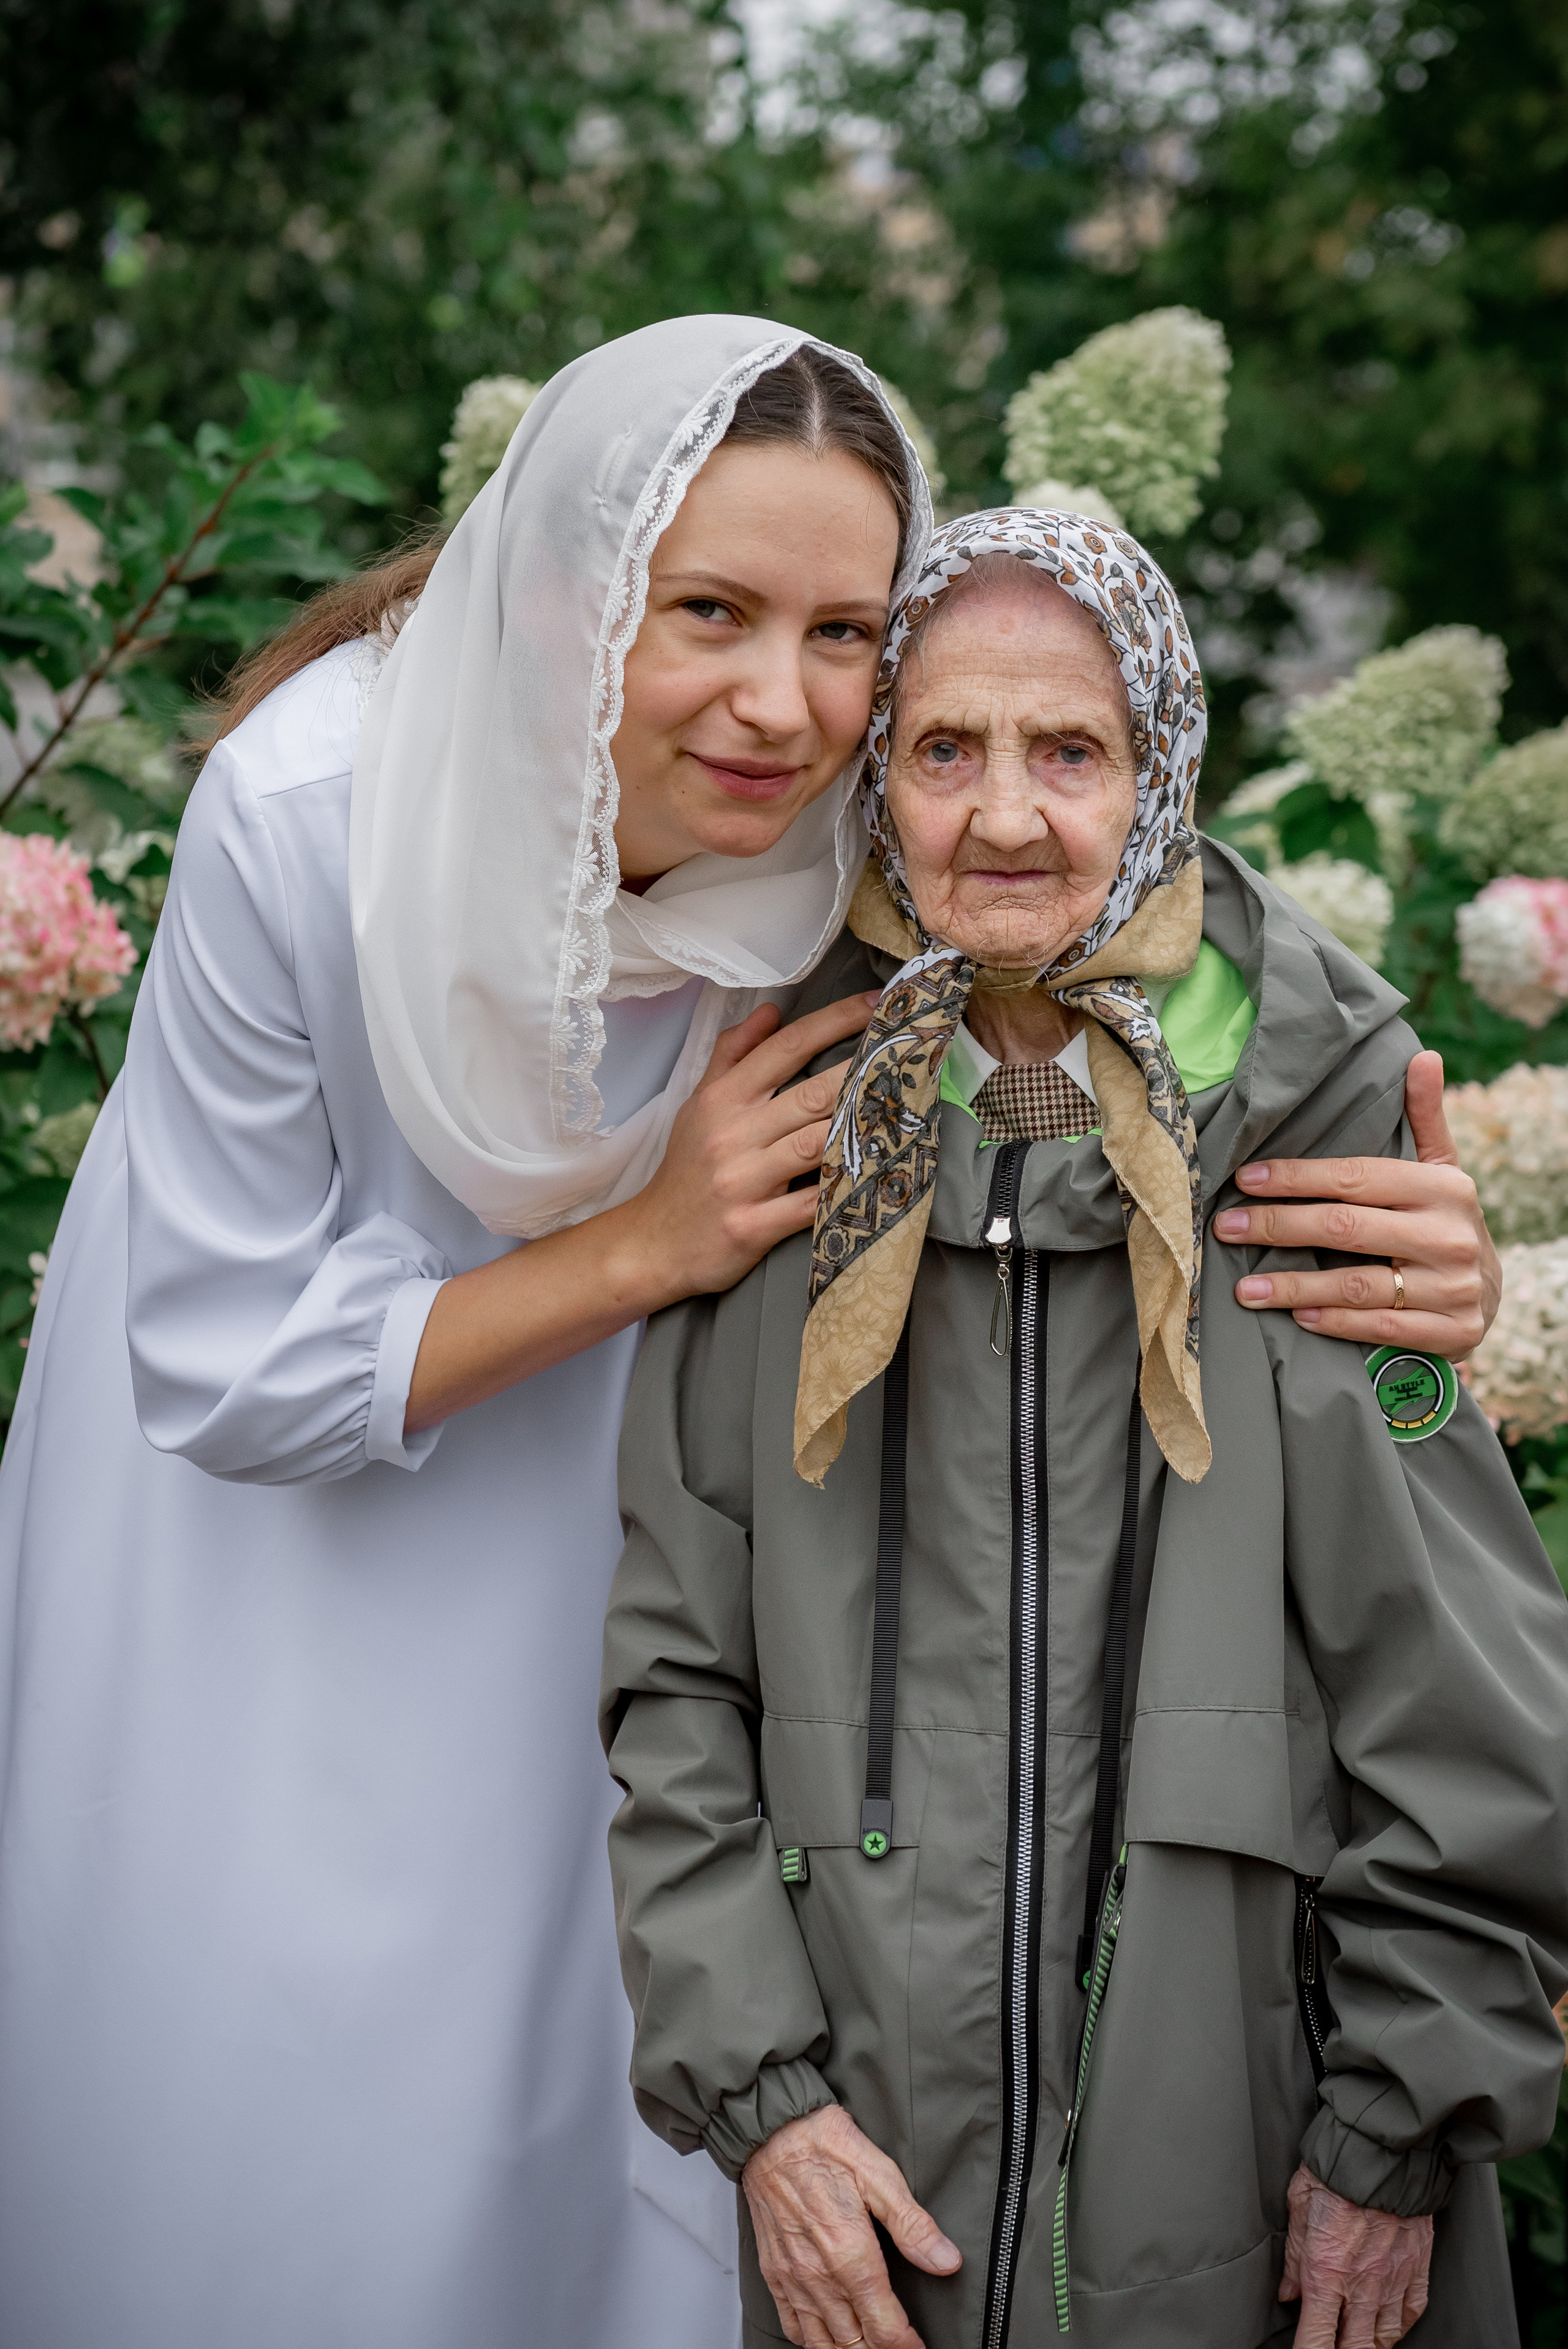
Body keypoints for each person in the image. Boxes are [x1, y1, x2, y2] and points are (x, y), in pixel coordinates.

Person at [0, 317, 1497, 2347]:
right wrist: (641, 1243)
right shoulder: (311, 814)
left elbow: (1129, 964)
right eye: (709, 609)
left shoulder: (842, 817)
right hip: (287, 1526)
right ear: (573, 592)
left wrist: (1395, 1253)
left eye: (847, 637)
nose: (784, 703)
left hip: (661, 1523)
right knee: (297, 2114)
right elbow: (217, 1359)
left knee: (595, 2097)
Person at [601, 511, 1568, 2349]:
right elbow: (674, 1675)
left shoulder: (1311, 1139)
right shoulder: (790, 1125)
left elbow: (1463, 1703)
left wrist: (1393, 2131)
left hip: (1266, 2175)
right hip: (866, 2192)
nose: (1007, 818)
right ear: (879, 772)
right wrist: (768, 2113)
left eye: (1073, 751)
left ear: (1163, 769)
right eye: (946, 748)